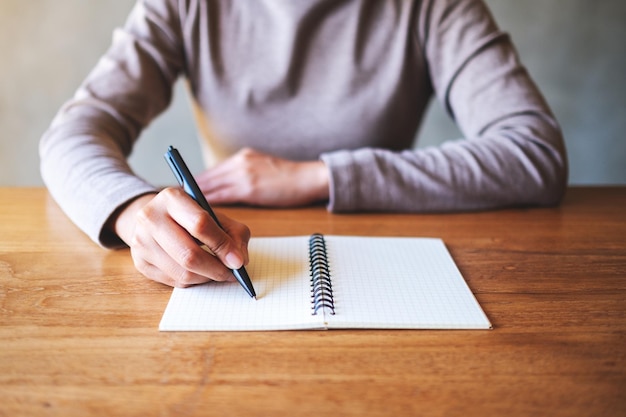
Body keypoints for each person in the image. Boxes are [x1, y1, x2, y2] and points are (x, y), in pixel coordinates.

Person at [40, 0, 567, 288]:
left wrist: (318, 175)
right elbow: (72, 133)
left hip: (384, 250)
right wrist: (134, 216)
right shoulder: (183, 6)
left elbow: (533, 151)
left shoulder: (434, 8)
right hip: (234, 249)